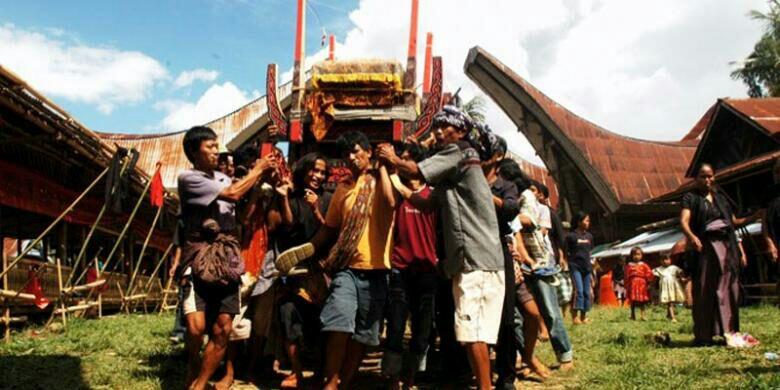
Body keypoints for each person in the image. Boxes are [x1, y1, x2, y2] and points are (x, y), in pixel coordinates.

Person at [377, 106, 505, 390]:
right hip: (473, 260)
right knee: (473, 332)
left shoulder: (459, 151)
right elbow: (422, 201)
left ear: (459, 131)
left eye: (442, 126)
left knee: (472, 333)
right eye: (435, 126)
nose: (436, 131)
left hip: (475, 258)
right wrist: (393, 176)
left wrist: (392, 159)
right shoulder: (452, 176)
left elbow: (415, 170)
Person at [278, 131, 396, 390]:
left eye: (355, 151)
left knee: (363, 334)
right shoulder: (343, 189)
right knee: (339, 323)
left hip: (377, 271)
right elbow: (330, 229)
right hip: (347, 269)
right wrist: (307, 250)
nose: (351, 158)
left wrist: (383, 168)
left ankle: (345, 383)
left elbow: (390, 203)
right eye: (346, 155)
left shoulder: (385, 181)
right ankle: (331, 383)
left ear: (368, 151)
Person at [177, 125, 276, 390]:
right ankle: (193, 363)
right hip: (199, 257)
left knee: (223, 328)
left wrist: (260, 184)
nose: (214, 151)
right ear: (193, 152)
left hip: (227, 258)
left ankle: (199, 385)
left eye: (215, 145)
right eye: (209, 147)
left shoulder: (223, 178)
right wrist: (258, 170)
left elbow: (242, 214)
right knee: (196, 329)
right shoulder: (189, 178)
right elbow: (233, 194)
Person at [383, 144, 438, 390]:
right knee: (395, 326)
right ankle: (394, 377)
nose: (401, 164)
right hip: (400, 269)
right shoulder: (395, 194)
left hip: (427, 271)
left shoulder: (434, 195)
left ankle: (412, 376)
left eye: (406, 160)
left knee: (422, 329)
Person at [277, 152, 333, 388]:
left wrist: (316, 210)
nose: (318, 176)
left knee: (322, 324)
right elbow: (289, 226)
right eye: (314, 170)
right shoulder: (293, 196)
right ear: (304, 170)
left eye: (322, 172)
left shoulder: (330, 198)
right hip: (296, 269)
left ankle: (321, 373)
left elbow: (333, 232)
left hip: (322, 269)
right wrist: (283, 199)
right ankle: (297, 373)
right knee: (287, 314)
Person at [680, 163, 753, 345]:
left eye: (710, 176)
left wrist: (755, 216)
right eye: (703, 176)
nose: (707, 180)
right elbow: (684, 220)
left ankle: (728, 331)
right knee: (706, 287)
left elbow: (733, 221)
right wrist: (691, 236)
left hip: (727, 246)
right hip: (706, 247)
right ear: (696, 178)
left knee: (728, 287)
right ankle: (704, 334)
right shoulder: (690, 198)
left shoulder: (720, 198)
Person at [510, 171, 574, 373]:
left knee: (549, 310)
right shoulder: (512, 208)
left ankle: (565, 355)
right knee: (520, 315)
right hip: (517, 262)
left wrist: (518, 219)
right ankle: (525, 356)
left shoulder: (542, 210)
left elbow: (539, 230)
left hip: (541, 263)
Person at [565, 211, 594, 324]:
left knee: (587, 292)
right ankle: (574, 317)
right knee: (579, 291)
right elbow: (565, 251)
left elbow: (590, 251)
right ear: (579, 222)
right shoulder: (571, 236)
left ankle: (583, 316)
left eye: (588, 221)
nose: (588, 223)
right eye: (586, 220)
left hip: (587, 268)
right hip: (575, 267)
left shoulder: (589, 236)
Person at [653, 253, 686, 322]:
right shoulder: (659, 269)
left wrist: (682, 278)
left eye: (667, 259)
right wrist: (652, 285)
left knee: (671, 301)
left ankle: (668, 315)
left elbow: (680, 273)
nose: (665, 261)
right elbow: (654, 277)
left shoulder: (673, 267)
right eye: (663, 260)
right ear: (660, 261)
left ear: (670, 260)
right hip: (665, 288)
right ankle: (673, 317)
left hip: (673, 287)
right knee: (669, 302)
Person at [625, 247, 653, 321]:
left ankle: (643, 315)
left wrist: (649, 283)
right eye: (634, 254)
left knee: (642, 301)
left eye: (638, 254)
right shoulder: (629, 265)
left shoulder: (644, 265)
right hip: (632, 285)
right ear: (631, 256)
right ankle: (632, 315)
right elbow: (626, 275)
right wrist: (626, 284)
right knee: (633, 301)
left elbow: (649, 273)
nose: (636, 256)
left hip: (642, 285)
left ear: (642, 255)